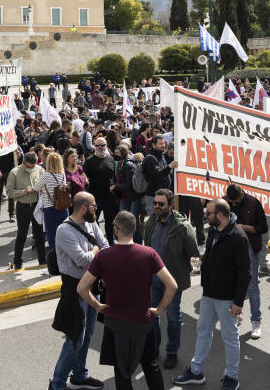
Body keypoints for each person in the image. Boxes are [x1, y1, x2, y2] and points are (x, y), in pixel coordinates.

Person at [77, 210, 177, 390]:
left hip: (115, 324)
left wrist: (98, 305)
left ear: (115, 230)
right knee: (150, 366)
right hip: (143, 322)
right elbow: (172, 286)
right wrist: (160, 310)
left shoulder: (103, 256)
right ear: (135, 228)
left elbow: (82, 288)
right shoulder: (149, 253)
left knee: (122, 371)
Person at [173, 198, 250, 390]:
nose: (205, 216)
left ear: (221, 215)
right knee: (203, 332)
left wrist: (238, 301)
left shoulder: (238, 236)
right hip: (209, 294)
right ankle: (196, 371)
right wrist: (201, 264)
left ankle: (231, 378)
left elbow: (245, 272)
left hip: (227, 298)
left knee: (230, 338)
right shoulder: (214, 231)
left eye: (208, 213)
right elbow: (210, 256)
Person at [49, 191, 109, 390]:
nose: (96, 209)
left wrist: (95, 252)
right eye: (93, 207)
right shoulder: (64, 230)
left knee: (89, 333)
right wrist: (95, 251)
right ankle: (57, 384)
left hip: (93, 285)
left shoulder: (91, 223)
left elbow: (105, 246)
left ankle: (80, 376)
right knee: (75, 339)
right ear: (83, 208)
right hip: (74, 290)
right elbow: (83, 260)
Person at [143, 188, 200, 369]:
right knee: (152, 316)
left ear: (171, 205)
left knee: (174, 318)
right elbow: (147, 247)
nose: (157, 207)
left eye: (161, 204)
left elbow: (194, 253)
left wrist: (190, 265)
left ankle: (172, 352)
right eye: (155, 203)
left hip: (172, 282)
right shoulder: (150, 221)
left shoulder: (183, 226)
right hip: (153, 279)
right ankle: (153, 348)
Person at [225, 183, 268, 339]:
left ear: (242, 195)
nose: (233, 204)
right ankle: (235, 316)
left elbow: (263, 227)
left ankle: (256, 321)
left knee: (252, 286)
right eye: (231, 201)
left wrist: (245, 228)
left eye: (235, 201)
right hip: (230, 249)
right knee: (231, 284)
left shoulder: (254, 203)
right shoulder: (225, 202)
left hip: (250, 247)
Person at [5, 151, 47, 270]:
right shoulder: (14, 172)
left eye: (34, 166)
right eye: (29, 166)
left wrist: (41, 190)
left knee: (40, 236)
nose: (32, 168)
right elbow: (9, 192)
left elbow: (45, 184)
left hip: (37, 206)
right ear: (24, 163)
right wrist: (24, 192)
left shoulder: (39, 169)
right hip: (23, 207)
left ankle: (42, 262)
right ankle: (18, 262)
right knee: (22, 235)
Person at [37, 152, 69, 251]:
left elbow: (37, 187)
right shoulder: (62, 174)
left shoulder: (46, 175)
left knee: (51, 235)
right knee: (64, 234)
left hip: (50, 208)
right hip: (63, 207)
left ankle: (54, 260)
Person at [141, 136, 176, 215]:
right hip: (153, 197)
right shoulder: (150, 159)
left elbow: (161, 173)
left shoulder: (161, 156)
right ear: (153, 145)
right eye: (160, 144)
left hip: (163, 196)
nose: (163, 145)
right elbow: (157, 177)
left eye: (163, 143)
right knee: (153, 221)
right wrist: (169, 168)